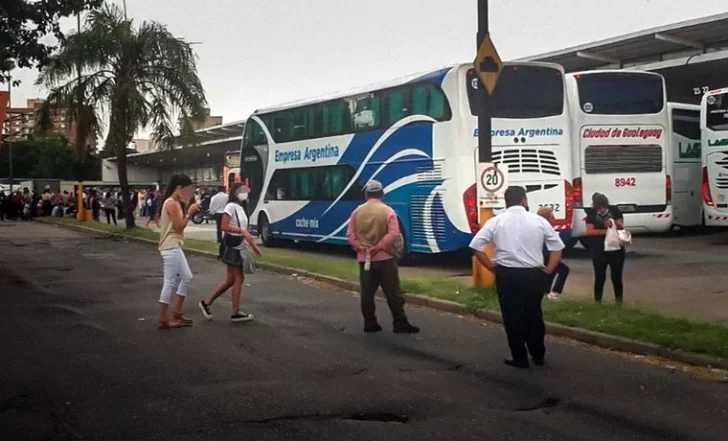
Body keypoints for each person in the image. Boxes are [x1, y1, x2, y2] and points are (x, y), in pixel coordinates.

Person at [469, 186, 565, 369]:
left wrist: (490, 266)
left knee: (512, 316)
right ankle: (538, 354)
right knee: (534, 314)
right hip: (533, 274)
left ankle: (519, 357)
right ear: (524, 200)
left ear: (506, 201)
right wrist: (548, 270)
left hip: (507, 273)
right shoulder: (539, 221)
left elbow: (477, 246)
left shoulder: (496, 221)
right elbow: (557, 248)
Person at [346, 180, 419, 334]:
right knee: (393, 292)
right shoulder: (387, 211)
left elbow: (350, 234)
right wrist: (379, 247)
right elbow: (393, 233)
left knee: (367, 293)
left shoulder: (357, 212)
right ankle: (400, 323)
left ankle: (370, 322)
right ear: (382, 194)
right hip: (385, 258)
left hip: (364, 259)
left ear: (366, 194)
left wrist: (360, 247)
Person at [199, 182, 261, 322]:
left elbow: (244, 229)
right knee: (238, 278)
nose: (246, 193)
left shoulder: (239, 207)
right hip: (233, 245)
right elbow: (224, 226)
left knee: (230, 280)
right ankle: (235, 312)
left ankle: (207, 302)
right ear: (235, 192)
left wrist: (253, 245)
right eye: (242, 190)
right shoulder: (231, 207)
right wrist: (241, 232)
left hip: (238, 243)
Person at [157, 174, 200, 329]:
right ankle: (164, 317)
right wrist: (189, 212)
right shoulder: (171, 203)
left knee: (187, 277)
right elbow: (179, 227)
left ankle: (177, 311)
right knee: (169, 282)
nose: (189, 193)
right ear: (179, 187)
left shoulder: (174, 202)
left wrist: (186, 206)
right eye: (187, 189)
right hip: (170, 246)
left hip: (174, 245)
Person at [584, 192, 626, 304]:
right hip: (598, 250)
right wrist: (606, 231)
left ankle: (619, 301)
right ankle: (597, 301)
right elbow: (589, 231)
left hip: (616, 249)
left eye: (603, 207)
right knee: (599, 277)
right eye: (599, 208)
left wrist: (613, 224)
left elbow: (621, 225)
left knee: (617, 277)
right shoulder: (592, 214)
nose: (602, 210)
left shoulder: (614, 210)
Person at [537, 207, 570, 299]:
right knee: (563, 270)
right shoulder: (546, 228)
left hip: (544, 254)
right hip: (547, 254)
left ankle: (546, 291)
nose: (554, 219)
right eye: (552, 217)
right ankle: (554, 292)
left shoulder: (539, 226)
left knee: (552, 272)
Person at [209, 186, 229, 258]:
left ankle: (219, 239)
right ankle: (226, 238)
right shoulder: (227, 196)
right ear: (223, 190)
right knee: (227, 227)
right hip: (225, 212)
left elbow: (212, 206)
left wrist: (212, 212)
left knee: (219, 228)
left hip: (218, 213)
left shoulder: (214, 197)